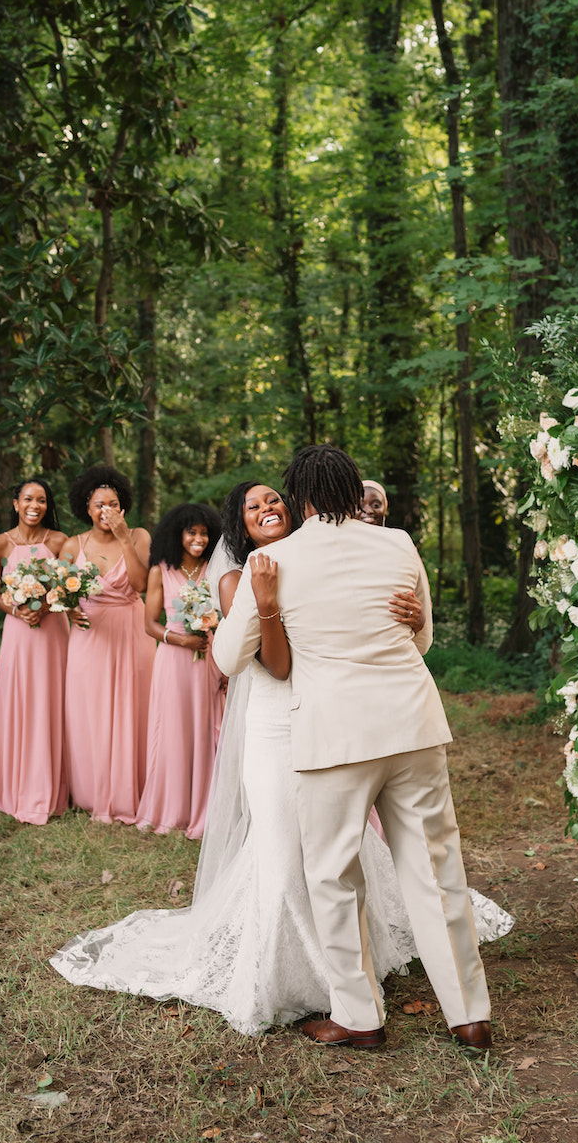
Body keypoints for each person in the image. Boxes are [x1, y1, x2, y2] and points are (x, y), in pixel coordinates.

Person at [50, 479, 511, 1033]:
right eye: (253, 507)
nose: (267, 509)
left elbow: (366, 624)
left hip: (337, 727)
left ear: (297, 507)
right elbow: (272, 666)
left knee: (340, 861)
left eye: (274, 500)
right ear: (238, 525)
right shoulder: (240, 577)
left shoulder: (314, 559)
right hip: (278, 723)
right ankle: (294, 974)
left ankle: (354, 993)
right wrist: (265, 604)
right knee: (290, 858)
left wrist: (408, 619)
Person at [213, 445, 492, 1054]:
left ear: (301, 497)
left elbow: (228, 658)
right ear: (347, 491)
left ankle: (360, 1016)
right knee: (437, 870)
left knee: (334, 877)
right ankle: (469, 1014)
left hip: (334, 739)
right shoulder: (397, 544)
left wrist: (263, 607)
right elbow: (421, 638)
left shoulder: (271, 561)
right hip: (413, 727)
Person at [62, 466, 153, 823]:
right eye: (99, 504)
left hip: (132, 631)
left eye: (112, 504)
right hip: (89, 637)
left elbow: (142, 584)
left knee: (134, 706)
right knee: (91, 708)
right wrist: (69, 611)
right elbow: (61, 592)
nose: (106, 511)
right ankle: (91, 790)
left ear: (123, 507)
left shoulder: (140, 536)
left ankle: (135, 787)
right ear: (87, 508)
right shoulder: (73, 545)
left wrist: (124, 538)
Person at [137, 503, 225, 840]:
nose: (199, 539)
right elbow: (148, 624)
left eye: (204, 533)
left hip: (209, 661)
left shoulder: (214, 570)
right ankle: (172, 807)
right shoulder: (161, 571)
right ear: (179, 534)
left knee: (207, 730)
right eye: (192, 532)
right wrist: (180, 640)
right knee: (173, 729)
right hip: (174, 662)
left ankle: (207, 806)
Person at [0, 478, 69, 825]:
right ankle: (18, 785)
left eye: (42, 500)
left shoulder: (60, 541)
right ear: (16, 503)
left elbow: (68, 586)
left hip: (52, 632)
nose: (35, 505)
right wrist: (16, 610)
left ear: (48, 506)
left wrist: (48, 608)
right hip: (19, 633)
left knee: (53, 700)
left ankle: (56, 784)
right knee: (21, 701)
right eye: (28, 499)